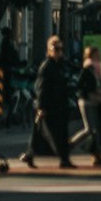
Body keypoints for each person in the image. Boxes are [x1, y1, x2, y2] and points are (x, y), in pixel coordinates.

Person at [20, 35, 75, 169]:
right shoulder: (47, 66)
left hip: (59, 105)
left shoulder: (60, 66)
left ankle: (31, 154)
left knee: (43, 132)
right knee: (52, 134)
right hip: (49, 106)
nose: (58, 52)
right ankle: (63, 158)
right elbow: (41, 87)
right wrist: (41, 106)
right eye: (55, 49)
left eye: (60, 49)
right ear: (49, 50)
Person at [70, 46, 101, 166]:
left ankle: (97, 155)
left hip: (92, 100)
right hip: (87, 101)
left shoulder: (95, 69)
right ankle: (71, 144)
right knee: (91, 128)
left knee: (94, 129)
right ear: (91, 56)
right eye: (96, 55)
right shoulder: (88, 68)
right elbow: (81, 86)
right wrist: (93, 92)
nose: (99, 57)